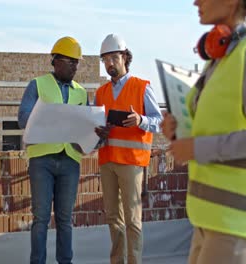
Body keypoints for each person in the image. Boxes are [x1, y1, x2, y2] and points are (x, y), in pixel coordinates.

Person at [160, 1, 246, 263]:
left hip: (237, 220)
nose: (196, 2)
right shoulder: (218, 61)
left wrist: (195, 148)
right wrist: (176, 129)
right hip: (209, 218)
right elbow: (213, 126)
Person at [18, 36, 88, 264]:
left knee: (65, 219)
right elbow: (23, 118)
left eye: (77, 62)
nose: (75, 66)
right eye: (71, 61)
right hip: (42, 160)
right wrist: (51, 119)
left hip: (70, 160)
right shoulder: (37, 85)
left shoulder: (81, 92)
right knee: (40, 219)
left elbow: (86, 126)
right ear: (56, 60)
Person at [94, 34, 163, 264]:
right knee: (113, 218)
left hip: (132, 162)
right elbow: (95, 123)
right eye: (105, 60)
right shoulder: (101, 92)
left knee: (133, 220)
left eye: (114, 58)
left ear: (124, 57)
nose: (109, 64)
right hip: (107, 160)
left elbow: (158, 120)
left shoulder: (142, 87)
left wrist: (140, 120)